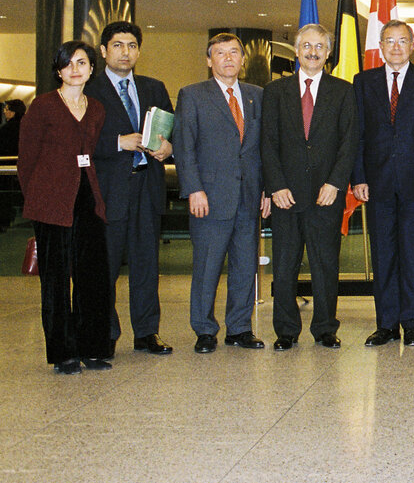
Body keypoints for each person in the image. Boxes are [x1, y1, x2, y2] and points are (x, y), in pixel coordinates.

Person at [262, 24, 357, 350]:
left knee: (325, 266)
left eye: (319, 46)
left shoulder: (343, 91)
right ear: (297, 51)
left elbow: (349, 142)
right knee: (285, 267)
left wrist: (335, 183)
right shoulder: (274, 92)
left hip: (326, 194)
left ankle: (325, 329)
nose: (313, 52)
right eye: (306, 46)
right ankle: (286, 331)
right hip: (285, 196)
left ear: (328, 52)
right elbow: (267, 143)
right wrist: (275, 186)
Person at [352, 20, 414, 348]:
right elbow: (358, 134)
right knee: (383, 255)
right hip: (376, 183)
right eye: (389, 41)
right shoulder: (363, 82)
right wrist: (358, 177)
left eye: (402, 41)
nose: (396, 47)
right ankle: (386, 324)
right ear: (380, 46)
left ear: (412, 46)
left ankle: (412, 323)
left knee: (413, 253)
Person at [175, 33, 271, 354]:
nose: (228, 58)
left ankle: (240, 328)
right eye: (220, 53)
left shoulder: (258, 95)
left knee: (245, 265)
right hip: (209, 198)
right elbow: (184, 146)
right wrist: (193, 189)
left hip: (249, 197)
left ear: (243, 59)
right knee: (208, 266)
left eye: (234, 53)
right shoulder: (192, 95)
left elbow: (265, 149)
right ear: (209, 60)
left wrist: (267, 190)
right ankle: (204, 329)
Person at [85, 21, 174, 358]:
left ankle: (147, 333)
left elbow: (170, 131)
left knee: (146, 266)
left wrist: (168, 148)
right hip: (107, 192)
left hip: (147, 190)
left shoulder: (154, 87)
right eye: (118, 45)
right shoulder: (90, 90)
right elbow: (78, 140)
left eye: (132, 45)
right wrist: (117, 142)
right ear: (104, 50)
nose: (126, 52)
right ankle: (104, 333)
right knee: (104, 267)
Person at [18, 41, 109, 374]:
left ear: (90, 69)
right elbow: (26, 160)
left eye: (81, 62)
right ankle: (63, 353)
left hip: (88, 199)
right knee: (56, 281)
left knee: (93, 277)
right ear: (58, 70)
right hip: (51, 203)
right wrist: (38, 200)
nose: (75, 68)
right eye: (68, 63)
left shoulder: (96, 108)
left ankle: (94, 348)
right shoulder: (42, 107)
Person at [0, 99, 26, 232]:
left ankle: (4, 221)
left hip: (6, 169)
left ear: (13, 112)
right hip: (22, 169)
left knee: (4, 197)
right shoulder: (27, 127)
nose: (5, 112)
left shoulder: (7, 129)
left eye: (7, 110)